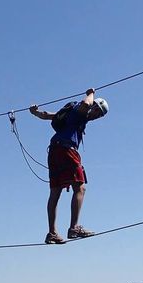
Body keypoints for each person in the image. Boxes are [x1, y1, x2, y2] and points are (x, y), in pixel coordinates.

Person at [29, 88, 109, 244]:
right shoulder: (82, 109)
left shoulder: (71, 113)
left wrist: (35, 113)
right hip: (67, 149)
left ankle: (52, 233)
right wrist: (91, 93)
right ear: (94, 106)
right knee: (80, 187)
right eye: (98, 112)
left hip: (54, 150)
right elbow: (86, 104)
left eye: (100, 116)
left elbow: (49, 116)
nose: (97, 116)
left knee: (55, 191)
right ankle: (74, 227)